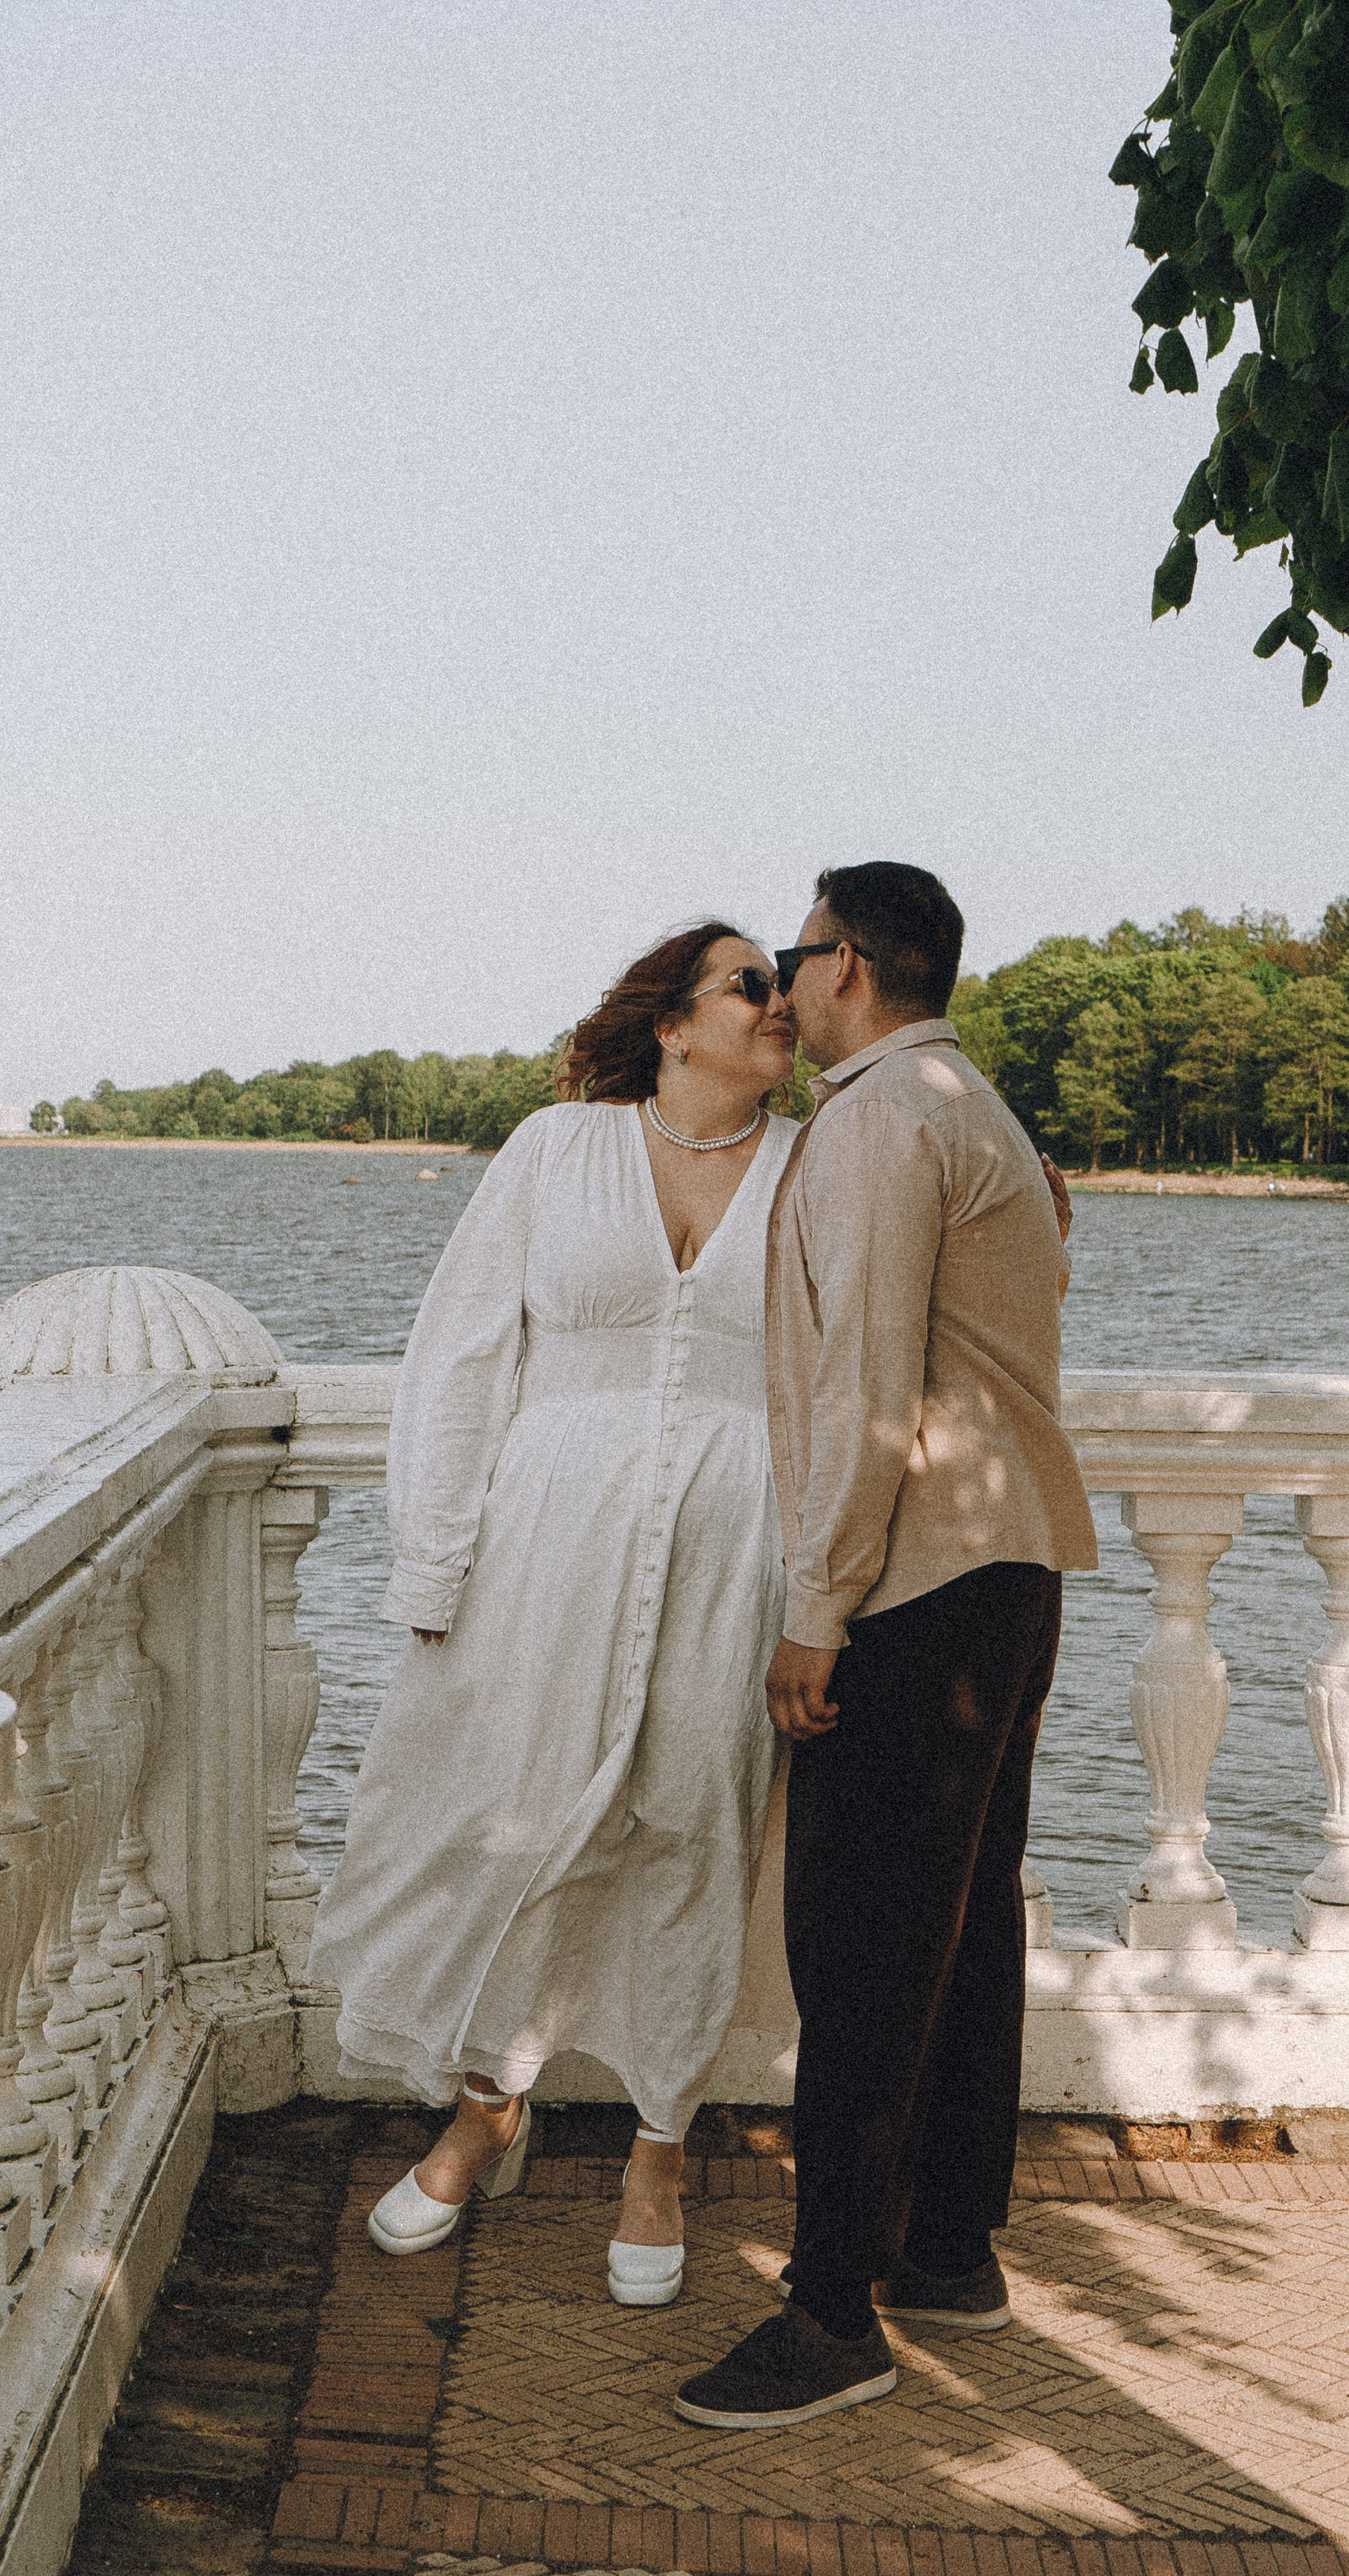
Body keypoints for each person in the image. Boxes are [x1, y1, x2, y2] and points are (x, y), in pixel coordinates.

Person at [308, 923, 801, 2308]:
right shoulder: (555, 1149)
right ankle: (489, 2108)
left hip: (736, 1554)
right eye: (750, 984)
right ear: (672, 1023)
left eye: (786, 982)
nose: (781, 1003)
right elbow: (461, 1356)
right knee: (512, 1823)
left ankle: (659, 2153)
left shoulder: (816, 1168)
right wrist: (433, 1563)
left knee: (694, 1827)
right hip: (542, 1547)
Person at [676, 861, 1099, 2433]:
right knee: (961, 1930)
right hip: (1006, 1572)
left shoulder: (876, 1123)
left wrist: (816, 1610)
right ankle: (944, 2251)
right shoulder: (970, 1109)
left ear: (847, 964)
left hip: (917, 1587)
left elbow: (866, 1385)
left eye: (793, 958)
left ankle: (831, 2314)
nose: (783, 987)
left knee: (858, 1952)